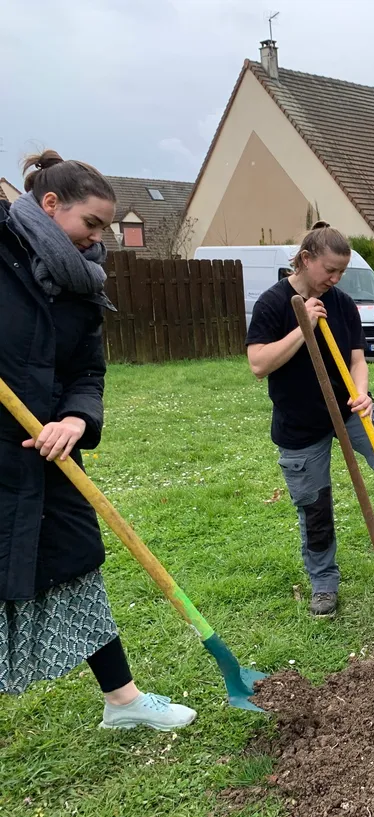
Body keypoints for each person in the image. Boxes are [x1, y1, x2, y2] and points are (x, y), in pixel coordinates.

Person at [0, 151, 195, 729]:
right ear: (51, 204)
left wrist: (76, 421)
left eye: (105, 228)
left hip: (52, 452)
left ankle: (123, 700)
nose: (98, 238)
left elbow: (88, 371)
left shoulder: (81, 285)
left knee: (78, 564)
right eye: (92, 224)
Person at [246, 222, 374, 618]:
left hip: (349, 408)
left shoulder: (341, 303)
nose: (335, 279)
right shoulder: (274, 304)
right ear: (305, 260)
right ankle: (323, 583)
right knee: (316, 507)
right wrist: (302, 327)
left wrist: (361, 393)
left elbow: (358, 360)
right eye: (329, 269)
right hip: (300, 425)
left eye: (341, 271)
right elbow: (258, 364)